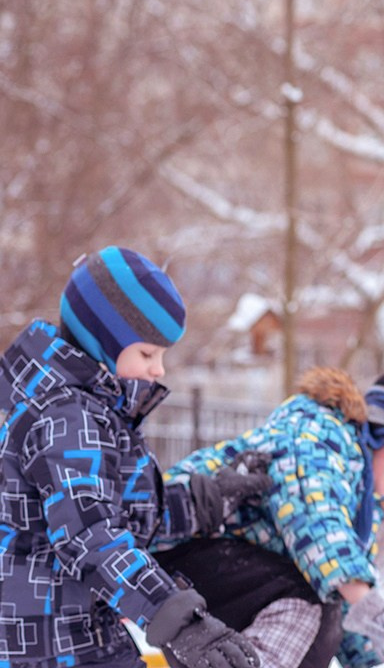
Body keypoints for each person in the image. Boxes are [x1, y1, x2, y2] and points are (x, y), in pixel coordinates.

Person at [0, 246, 265, 668]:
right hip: (53, 645)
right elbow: (91, 535)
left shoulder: (88, 409)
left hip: (77, 631)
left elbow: (117, 513)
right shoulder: (68, 417)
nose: (158, 369)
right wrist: (177, 618)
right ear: (100, 340)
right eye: (147, 353)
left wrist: (205, 500)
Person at [153, 363, 384, 668]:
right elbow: (313, 514)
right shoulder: (318, 432)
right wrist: (368, 604)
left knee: (325, 613)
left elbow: (351, 616)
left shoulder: (361, 507)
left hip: (224, 574)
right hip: (177, 543)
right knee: (312, 605)